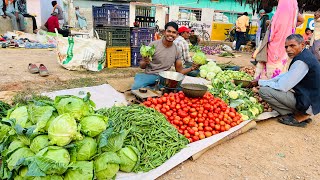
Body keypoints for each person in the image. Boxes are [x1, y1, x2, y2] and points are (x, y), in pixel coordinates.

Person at [251, 34, 320, 127]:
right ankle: (301, 113)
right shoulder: (305, 55)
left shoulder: (301, 62)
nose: (288, 49)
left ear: (302, 45)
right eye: (286, 47)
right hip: (312, 99)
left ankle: (299, 116)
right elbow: (286, 76)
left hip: (310, 103)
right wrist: (264, 81)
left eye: (292, 46)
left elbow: (282, 86)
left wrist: (260, 83)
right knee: (272, 87)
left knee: (264, 91)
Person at [131, 22, 200, 90]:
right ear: (164, 32)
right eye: (169, 31)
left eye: (174, 32)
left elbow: (179, 71)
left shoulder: (177, 50)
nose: (171, 34)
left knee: (180, 90)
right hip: (150, 75)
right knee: (135, 88)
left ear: (177, 35)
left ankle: (153, 89)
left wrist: (192, 68)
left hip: (163, 78)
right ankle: (153, 88)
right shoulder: (153, 45)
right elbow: (142, 66)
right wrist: (146, 61)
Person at [254, 0, 304, 80]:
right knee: (282, 63)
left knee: (271, 62)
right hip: (286, 43)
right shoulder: (293, 12)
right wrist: (290, 27)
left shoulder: (280, 12)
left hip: (275, 44)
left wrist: (271, 24)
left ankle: (267, 81)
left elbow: (274, 29)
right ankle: (278, 81)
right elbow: (301, 20)